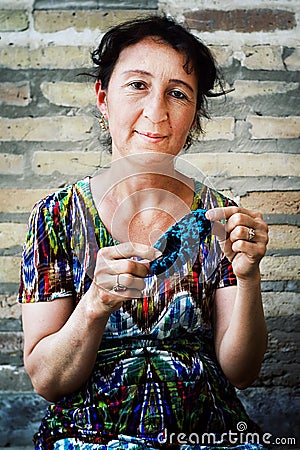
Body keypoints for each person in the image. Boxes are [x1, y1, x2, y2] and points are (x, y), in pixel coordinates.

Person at [18, 15, 269, 450]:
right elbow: (47, 381)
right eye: (137, 85)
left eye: (177, 93)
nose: (156, 112)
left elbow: (241, 373)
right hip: (89, 436)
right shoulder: (56, 217)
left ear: (194, 112)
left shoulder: (220, 219)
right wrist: (94, 305)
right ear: (103, 97)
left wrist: (248, 276)